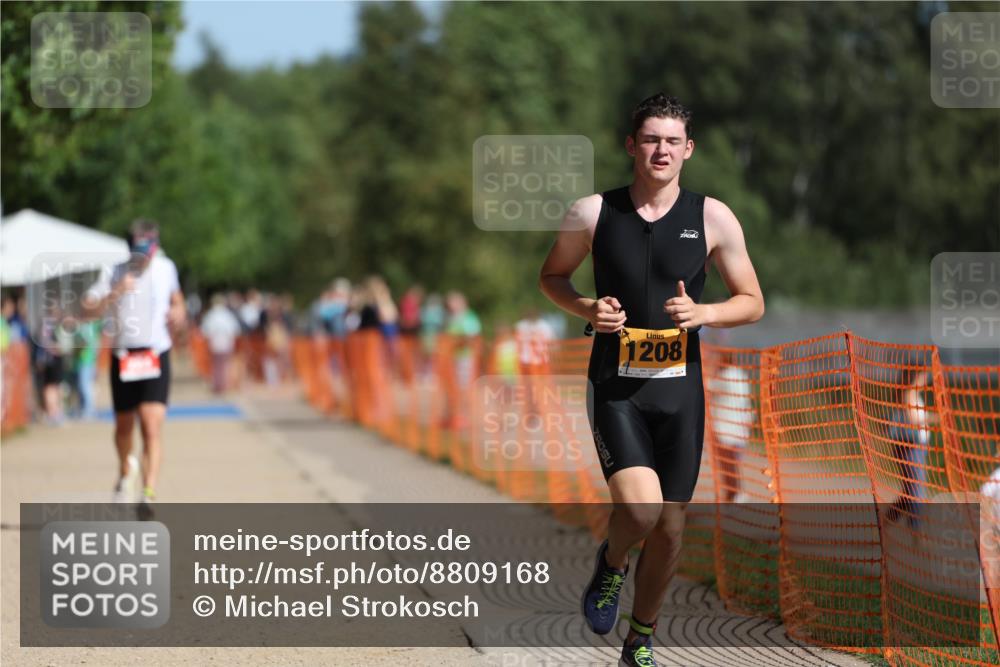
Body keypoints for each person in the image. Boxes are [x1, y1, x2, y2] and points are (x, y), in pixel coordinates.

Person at [539, 93, 764, 666]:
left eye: (671, 140)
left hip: (679, 389)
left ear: (688, 150)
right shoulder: (591, 212)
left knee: (669, 529)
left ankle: (640, 639)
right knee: (638, 512)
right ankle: (611, 565)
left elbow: (752, 301)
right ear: (631, 145)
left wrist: (705, 314)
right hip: (616, 386)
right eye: (650, 138)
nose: (660, 149)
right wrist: (587, 307)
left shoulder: (712, 217)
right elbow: (552, 277)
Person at [83, 219, 186, 509]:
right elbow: (88, 309)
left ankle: (148, 492)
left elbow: (177, 300)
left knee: (151, 426)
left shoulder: (167, 268)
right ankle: (124, 471)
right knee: (124, 428)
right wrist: (114, 292)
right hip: (124, 354)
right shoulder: (113, 270)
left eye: (149, 252)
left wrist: (179, 312)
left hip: (156, 353)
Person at [200, 293, 243, 394]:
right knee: (224, 365)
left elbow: (204, 330)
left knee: (217, 365)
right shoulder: (227, 314)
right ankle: (223, 384)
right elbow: (235, 329)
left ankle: (218, 384)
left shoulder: (211, 315)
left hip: (215, 343)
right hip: (226, 343)